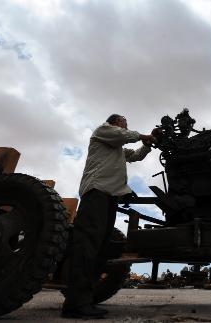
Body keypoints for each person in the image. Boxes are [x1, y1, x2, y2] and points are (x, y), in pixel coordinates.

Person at [62, 114, 158, 319]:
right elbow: (123, 135)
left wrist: (148, 143)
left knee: (100, 247)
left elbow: (136, 155)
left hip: (110, 195)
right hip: (96, 191)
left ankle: (84, 300)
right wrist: (143, 135)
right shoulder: (103, 131)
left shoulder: (116, 148)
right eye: (124, 121)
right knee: (87, 245)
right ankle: (74, 304)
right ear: (115, 122)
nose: (126, 123)